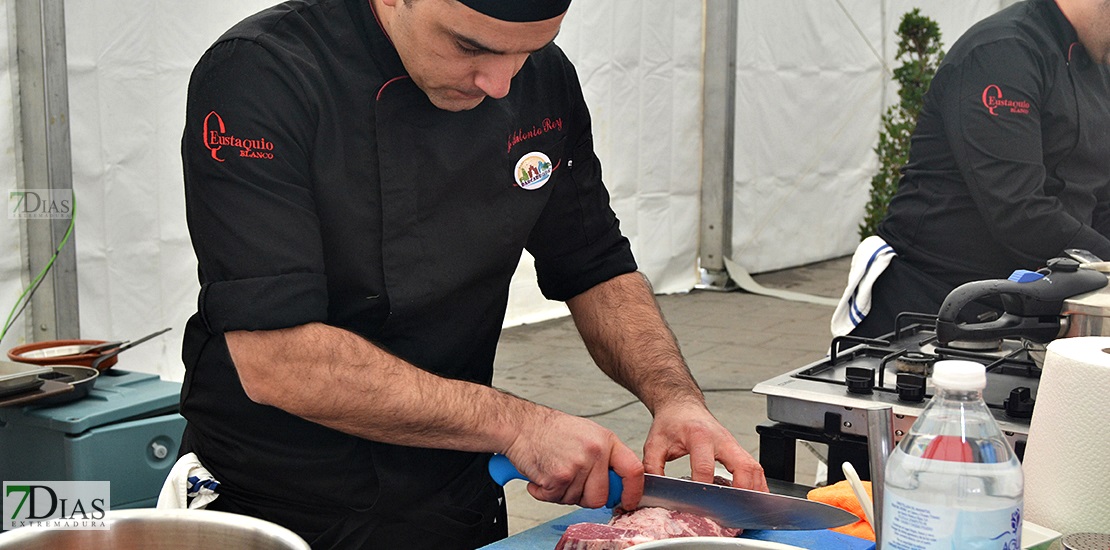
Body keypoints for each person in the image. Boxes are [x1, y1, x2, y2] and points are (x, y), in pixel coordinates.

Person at [178, 0, 766, 548]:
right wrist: (518, 426)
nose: (501, 84)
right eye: (470, 47)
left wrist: (675, 399)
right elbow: (278, 361)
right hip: (276, 498)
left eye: (525, 53)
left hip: (455, 479)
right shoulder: (261, 75)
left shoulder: (540, 78)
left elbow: (596, 265)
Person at [846, 0, 1110, 339]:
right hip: (933, 305)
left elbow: (1100, 197)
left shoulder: (1096, 63)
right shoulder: (1003, 53)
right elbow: (1020, 211)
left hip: (1028, 303)